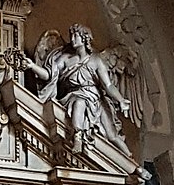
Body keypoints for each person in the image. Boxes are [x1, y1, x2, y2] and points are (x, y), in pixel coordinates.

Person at [21, 23, 130, 155]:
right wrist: (32, 66)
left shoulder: (96, 60)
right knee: (79, 102)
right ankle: (78, 135)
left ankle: (131, 160)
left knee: (112, 135)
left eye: (76, 36)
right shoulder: (65, 59)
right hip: (72, 96)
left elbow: (108, 85)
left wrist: (120, 100)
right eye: (71, 36)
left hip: (94, 99)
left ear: (84, 38)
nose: (72, 39)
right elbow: (48, 75)